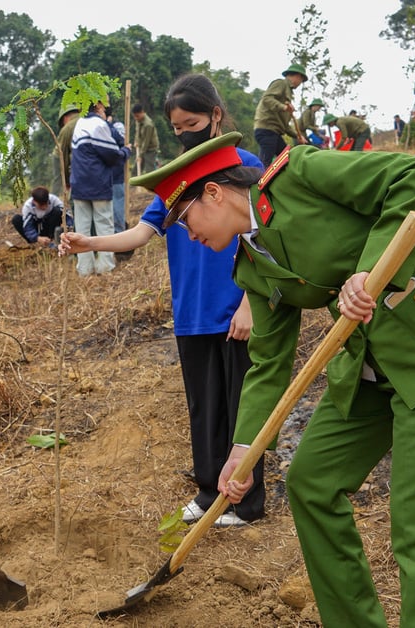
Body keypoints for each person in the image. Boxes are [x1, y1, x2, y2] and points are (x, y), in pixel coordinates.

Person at [130, 131, 415, 628]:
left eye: (185, 219)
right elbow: (268, 363)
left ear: (214, 193)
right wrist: (243, 448)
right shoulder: (250, 269)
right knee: (311, 483)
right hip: (367, 365)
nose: (185, 234)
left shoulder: (300, 174)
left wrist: (369, 271)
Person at [59, 73, 268, 527]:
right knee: (203, 407)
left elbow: (264, 236)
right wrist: (90, 244)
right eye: (175, 128)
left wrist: (251, 301)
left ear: (216, 115)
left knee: (241, 407)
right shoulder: (175, 180)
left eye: (190, 122)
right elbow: (143, 232)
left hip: (235, 309)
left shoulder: (244, 165)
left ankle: (248, 503)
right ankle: (210, 489)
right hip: (191, 311)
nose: (183, 133)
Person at [69, 98, 131, 276]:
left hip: (79, 185)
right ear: (98, 106)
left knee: (82, 228)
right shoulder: (98, 124)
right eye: (104, 106)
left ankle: (85, 269)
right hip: (97, 184)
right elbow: (112, 156)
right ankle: (105, 267)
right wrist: (126, 151)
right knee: (104, 226)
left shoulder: (80, 123)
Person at [253, 63, 307, 166]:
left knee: (287, 160)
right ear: (297, 76)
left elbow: (284, 125)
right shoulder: (281, 83)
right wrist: (284, 107)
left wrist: (298, 136)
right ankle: (259, 181)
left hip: (275, 132)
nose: (300, 83)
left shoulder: (288, 92)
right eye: (301, 80)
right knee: (265, 164)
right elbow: (266, 99)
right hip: (267, 129)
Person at [56, 103, 81, 193]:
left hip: (78, 175)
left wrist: (66, 181)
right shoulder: (91, 121)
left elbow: (62, 158)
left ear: (65, 118)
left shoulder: (67, 128)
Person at [132, 103, 160, 175]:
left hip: (150, 149)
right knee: (136, 169)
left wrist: (140, 156)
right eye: (134, 116)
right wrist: (136, 141)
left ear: (142, 112)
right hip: (142, 148)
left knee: (149, 171)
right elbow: (137, 132)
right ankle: (133, 185)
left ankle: (151, 185)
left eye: (137, 116)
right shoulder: (138, 120)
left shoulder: (148, 125)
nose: (136, 118)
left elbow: (146, 142)